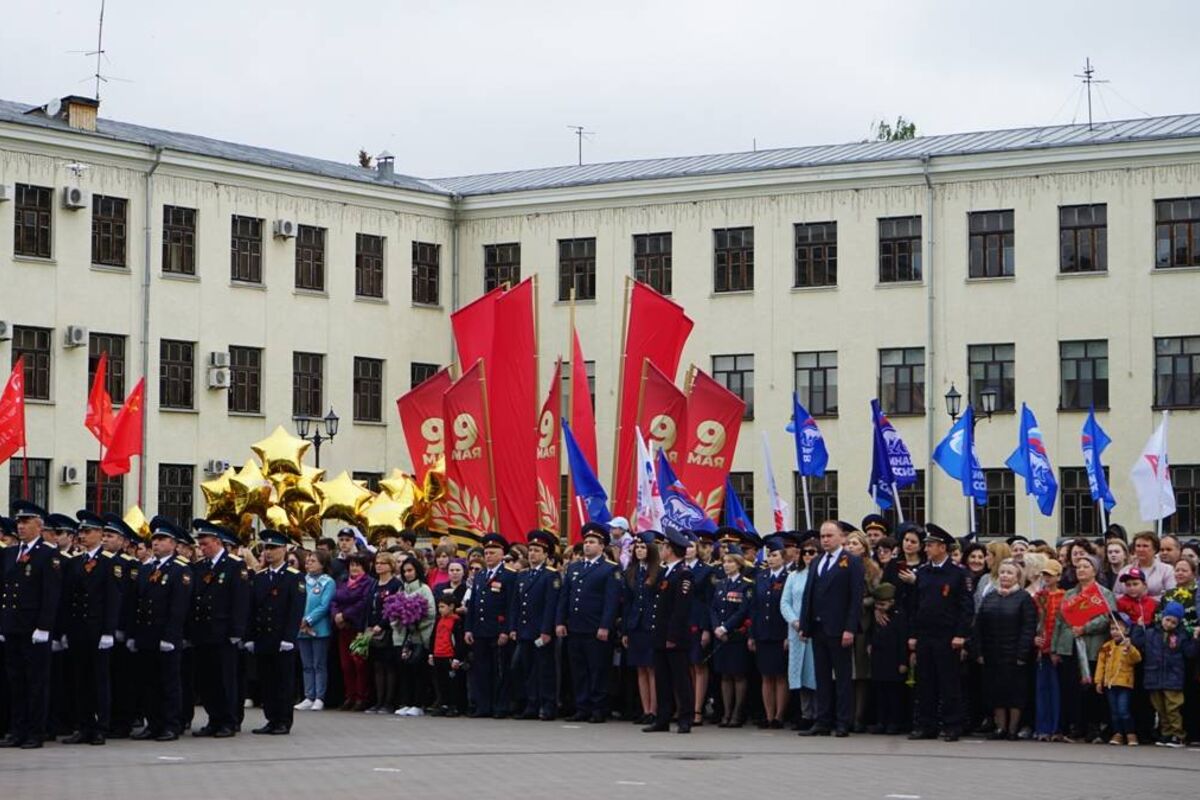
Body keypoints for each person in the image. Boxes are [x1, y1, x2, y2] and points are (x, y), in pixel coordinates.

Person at [0, 502, 64, 749]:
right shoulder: (9, 553)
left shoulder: (48, 554)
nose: (21, 526)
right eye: (19, 522)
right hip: (13, 626)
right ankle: (18, 730)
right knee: (15, 682)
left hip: (34, 629)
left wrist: (45, 627)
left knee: (36, 683)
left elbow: (50, 594)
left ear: (39, 526)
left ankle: (36, 732)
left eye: (26, 522)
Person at [56, 510, 119, 746]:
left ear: (101, 535)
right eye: (81, 531)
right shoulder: (74, 563)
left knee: (99, 680)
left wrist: (108, 631)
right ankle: (83, 725)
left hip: (97, 629)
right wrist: (63, 631)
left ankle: (101, 726)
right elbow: (66, 598)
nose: (83, 535)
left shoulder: (109, 563)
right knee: (79, 680)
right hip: (77, 629)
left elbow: (113, 599)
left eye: (88, 531)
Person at [129, 517, 192, 743]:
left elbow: (178, 607)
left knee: (169, 683)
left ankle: (170, 725)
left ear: (174, 544)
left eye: (162, 539)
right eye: (154, 539)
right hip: (147, 635)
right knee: (148, 683)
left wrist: (170, 636)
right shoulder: (146, 569)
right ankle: (153, 724)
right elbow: (138, 603)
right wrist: (135, 635)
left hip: (166, 636)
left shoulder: (180, 570)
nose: (156, 544)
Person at [799, 520, 865, 738]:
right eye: (823, 536)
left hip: (839, 628)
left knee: (843, 678)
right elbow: (809, 594)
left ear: (841, 537)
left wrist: (850, 628)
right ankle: (823, 720)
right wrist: (805, 624)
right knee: (822, 676)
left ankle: (843, 721)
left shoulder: (852, 562)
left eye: (829, 536)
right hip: (818, 627)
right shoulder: (817, 561)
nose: (825, 540)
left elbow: (855, 598)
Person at [908, 524, 973, 742]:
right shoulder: (924, 573)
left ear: (942, 547)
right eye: (926, 545)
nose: (926, 548)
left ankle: (952, 725)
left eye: (931, 545)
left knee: (949, 683)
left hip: (947, 636)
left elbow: (966, 607)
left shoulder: (957, 574)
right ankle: (926, 725)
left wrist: (960, 634)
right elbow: (916, 605)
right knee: (925, 682)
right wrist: (914, 634)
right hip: (925, 635)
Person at [187, 519, 249, 739]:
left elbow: (240, 601)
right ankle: (214, 719)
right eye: (200, 544)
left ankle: (229, 721)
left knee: (225, 679)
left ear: (217, 542)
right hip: (203, 631)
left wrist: (237, 631)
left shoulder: (234, 565)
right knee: (206, 680)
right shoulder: (200, 567)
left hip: (223, 632)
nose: (202, 548)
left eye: (205, 544)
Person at [557, 522, 622, 723]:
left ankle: (598, 708)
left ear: (602, 546)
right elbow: (565, 597)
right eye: (586, 542)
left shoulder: (609, 569)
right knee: (579, 670)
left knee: (598, 669)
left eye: (592, 542)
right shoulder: (574, 567)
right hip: (575, 626)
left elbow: (611, 601)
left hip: (596, 628)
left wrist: (605, 626)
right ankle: (582, 706)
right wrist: (560, 621)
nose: (587, 546)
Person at [245, 530, 304, 735]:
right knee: (267, 681)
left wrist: (289, 637)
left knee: (283, 682)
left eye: (273, 548)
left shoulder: (293, 577)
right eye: (266, 548)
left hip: (281, 638)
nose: (268, 552)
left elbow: (295, 610)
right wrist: (250, 637)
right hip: (263, 637)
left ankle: (283, 720)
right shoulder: (260, 577)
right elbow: (253, 609)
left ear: (284, 550)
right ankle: (271, 718)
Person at [1051, 554, 1115, 743]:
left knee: (1091, 690)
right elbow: (1059, 622)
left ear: (1095, 570)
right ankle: (1075, 725)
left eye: (1086, 566)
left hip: (1091, 647)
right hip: (1069, 646)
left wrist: (1085, 627)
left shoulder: (1103, 593)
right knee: (1071, 689)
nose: (1081, 570)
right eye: (1078, 567)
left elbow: (1106, 618)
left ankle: (1092, 727)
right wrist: (1055, 648)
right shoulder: (1070, 594)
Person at [975, 558, 1037, 740]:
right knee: (996, 692)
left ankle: (1012, 728)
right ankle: (1000, 727)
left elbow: (1028, 628)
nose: (1005, 576)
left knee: (1015, 693)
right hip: (992, 653)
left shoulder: (1024, 598)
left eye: (1009, 573)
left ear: (1018, 577)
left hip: (1014, 654)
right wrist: (978, 651)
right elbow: (979, 626)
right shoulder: (990, 597)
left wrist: (1022, 653)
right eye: (1002, 572)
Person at [642, 529, 693, 734]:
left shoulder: (684, 574)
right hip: (660, 634)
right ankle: (663, 718)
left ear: (671, 550)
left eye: (663, 547)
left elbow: (681, 609)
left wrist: (673, 635)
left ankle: (685, 718)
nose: (661, 550)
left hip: (675, 637)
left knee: (680, 679)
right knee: (662, 679)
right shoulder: (664, 572)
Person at [509, 530, 561, 721]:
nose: (532, 554)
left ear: (546, 555)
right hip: (525, 630)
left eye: (537, 550)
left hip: (541, 631)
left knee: (545, 670)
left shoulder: (550, 575)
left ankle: (548, 706)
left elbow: (550, 605)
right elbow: (516, 604)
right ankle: (531, 704)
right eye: (531, 550)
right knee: (526, 668)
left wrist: (547, 631)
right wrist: (513, 627)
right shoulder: (522, 575)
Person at [465, 533, 516, 718]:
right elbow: (473, 604)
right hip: (480, 629)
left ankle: (500, 706)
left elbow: (511, 605)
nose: (488, 556)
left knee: (499, 670)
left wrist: (506, 630)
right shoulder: (480, 576)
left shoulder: (509, 576)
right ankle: (483, 705)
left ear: (502, 554)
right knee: (481, 669)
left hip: (497, 630)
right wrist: (469, 628)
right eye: (486, 552)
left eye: (492, 552)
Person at [99, 513, 140, 739]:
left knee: (123, 678)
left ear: (124, 542)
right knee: (107, 677)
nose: (106, 539)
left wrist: (126, 629)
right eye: (104, 535)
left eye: (111, 536)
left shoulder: (130, 565)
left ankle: (123, 721)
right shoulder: (100, 562)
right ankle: (109, 717)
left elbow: (129, 601)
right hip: (104, 630)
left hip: (122, 631)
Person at [1132, 601, 1194, 747]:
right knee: (1160, 707)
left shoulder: (1181, 636)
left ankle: (1178, 734)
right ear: (1162, 617)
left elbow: (1190, 652)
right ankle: (1166, 733)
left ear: (1178, 623)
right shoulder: (1151, 633)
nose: (1169, 624)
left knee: (1173, 707)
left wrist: (1196, 639)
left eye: (1174, 622)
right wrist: (1138, 627)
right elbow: (1137, 642)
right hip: (1154, 675)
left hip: (1173, 677)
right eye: (1168, 619)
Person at [750, 536, 790, 729]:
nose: (771, 559)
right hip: (762, 632)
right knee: (766, 675)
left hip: (780, 632)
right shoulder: (762, 577)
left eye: (774, 555)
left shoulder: (788, 577)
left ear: (783, 557)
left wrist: (788, 635)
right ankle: (768, 714)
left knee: (780, 676)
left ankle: (779, 716)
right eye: (769, 555)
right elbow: (755, 608)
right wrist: (752, 634)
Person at [711, 551, 754, 727]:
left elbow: (743, 610)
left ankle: (737, 713)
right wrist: (716, 627)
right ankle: (726, 713)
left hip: (735, 635)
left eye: (730, 562)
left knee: (738, 675)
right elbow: (713, 608)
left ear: (739, 565)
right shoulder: (721, 584)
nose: (726, 565)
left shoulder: (745, 586)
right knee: (725, 675)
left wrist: (725, 627)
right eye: (724, 562)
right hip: (720, 636)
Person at [779, 534, 818, 730]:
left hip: (815, 631)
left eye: (813, 552)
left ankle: (818, 714)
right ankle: (805, 713)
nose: (808, 556)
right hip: (796, 631)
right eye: (805, 552)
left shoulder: (821, 574)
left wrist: (808, 624)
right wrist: (795, 622)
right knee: (800, 674)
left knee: (816, 673)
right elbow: (785, 602)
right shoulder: (794, 576)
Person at [621, 532, 660, 724]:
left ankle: (654, 709)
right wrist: (626, 630)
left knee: (652, 668)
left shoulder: (658, 571)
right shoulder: (631, 571)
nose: (639, 550)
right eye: (637, 547)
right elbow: (628, 602)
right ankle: (645, 709)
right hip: (636, 624)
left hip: (651, 625)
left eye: (643, 547)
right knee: (640, 669)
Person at [845, 530, 879, 732]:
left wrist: (859, 603)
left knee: (861, 674)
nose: (850, 547)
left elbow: (877, 595)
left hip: (862, 625)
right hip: (842, 625)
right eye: (848, 543)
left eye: (855, 544)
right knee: (846, 674)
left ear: (864, 548)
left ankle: (859, 717)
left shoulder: (871, 569)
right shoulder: (840, 566)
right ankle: (845, 715)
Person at [331, 553, 375, 711]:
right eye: (352, 565)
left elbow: (363, 602)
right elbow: (334, 599)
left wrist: (345, 614)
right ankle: (349, 696)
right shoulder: (342, 580)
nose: (354, 568)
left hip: (358, 627)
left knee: (359, 663)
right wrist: (336, 615)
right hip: (343, 628)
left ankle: (361, 697)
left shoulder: (369, 583)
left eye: (358, 565)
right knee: (346, 665)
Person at [392, 557, 435, 716]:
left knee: (418, 669)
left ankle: (418, 703)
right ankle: (407, 702)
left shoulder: (424, 589)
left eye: (410, 570)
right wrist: (399, 620)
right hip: (405, 637)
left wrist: (415, 621)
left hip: (420, 637)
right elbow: (393, 611)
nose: (407, 574)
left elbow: (431, 613)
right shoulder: (402, 590)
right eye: (404, 571)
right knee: (405, 671)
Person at [1094, 614, 1141, 745]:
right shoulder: (1106, 646)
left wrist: (1129, 648)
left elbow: (1136, 659)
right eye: (1112, 628)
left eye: (1118, 628)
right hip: (1110, 683)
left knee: (1124, 711)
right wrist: (1098, 681)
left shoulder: (1128, 646)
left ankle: (1130, 733)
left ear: (1126, 630)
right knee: (1114, 712)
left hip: (1124, 683)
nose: (1114, 631)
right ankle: (1118, 733)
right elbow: (1101, 664)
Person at [296, 549, 334, 711]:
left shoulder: (328, 582)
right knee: (306, 664)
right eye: (308, 561)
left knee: (319, 664)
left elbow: (324, 605)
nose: (308, 564)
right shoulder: (301, 580)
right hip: (300, 628)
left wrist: (309, 619)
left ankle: (319, 697)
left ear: (322, 564)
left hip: (319, 628)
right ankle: (308, 695)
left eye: (313, 561)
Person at [868, 583, 908, 734]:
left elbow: (902, 639)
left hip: (894, 660)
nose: (880, 607)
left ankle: (894, 722)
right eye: (877, 604)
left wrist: (903, 662)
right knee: (880, 693)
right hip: (879, 658)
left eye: (883, 604)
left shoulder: (899, 615)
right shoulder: (877, 615)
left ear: (891, 602)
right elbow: (872, 631)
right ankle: (881, 721)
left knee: (894, 694)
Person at [365, 551, 403, 714]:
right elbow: (369, 607)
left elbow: (394, 607)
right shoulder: (374, 584)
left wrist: (382, 624)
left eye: (382, 563)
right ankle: (378, 701)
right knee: (377, 666)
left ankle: (388, 702)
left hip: (387, 630)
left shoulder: (394, 584)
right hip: (372, 629)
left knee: (389, 666)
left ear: (390, 566)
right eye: (377, 562)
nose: (378, 565)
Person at [684, 533, 714, 727]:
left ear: (697, 549)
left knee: (698, 666)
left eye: (691, 546)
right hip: (680, 624)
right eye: (685, 546)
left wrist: (706, 628)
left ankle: (697, 709)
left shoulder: (705, 571)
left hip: (697, 622)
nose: (687, 550)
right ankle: (685, 706)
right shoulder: (677, 568)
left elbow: (709, 602)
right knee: (685, 667)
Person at [1033, 559, 1065, 741]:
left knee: (1056, 690)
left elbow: (1063, 624)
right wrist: (1034, 638)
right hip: (1041, 649)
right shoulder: (1039, 596)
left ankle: (1056, 727)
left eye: (1050, 575)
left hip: (1057, 649)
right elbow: (1033, 622)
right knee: (1042, 689)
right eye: (1044, 574)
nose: (1046, 578)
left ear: (1058, 577)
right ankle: (1042, 727)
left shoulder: (1064, 596)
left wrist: (1057, 648)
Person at [429, 595, 468, 716]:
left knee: (453, 682)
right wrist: (431, 653)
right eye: (439, 607)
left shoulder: (456, 621)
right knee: (441, 682)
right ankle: (444, 704)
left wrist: (457, 657)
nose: (440, 609)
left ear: (451, 607)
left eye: (442, 607)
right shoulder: (438, 620)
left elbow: (459, 641)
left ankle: (454, 705)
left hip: (449, 655)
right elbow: (433, 637)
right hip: (438, 654)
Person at [1116, 532, 1176, 601]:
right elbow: (1116, 594)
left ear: (1155, 549)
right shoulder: (1124, 571)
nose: (1141, 549)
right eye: (1138, 546)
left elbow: (1171, 595)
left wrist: (1145, 601)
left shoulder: (1167, 570)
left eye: (1145, 546)